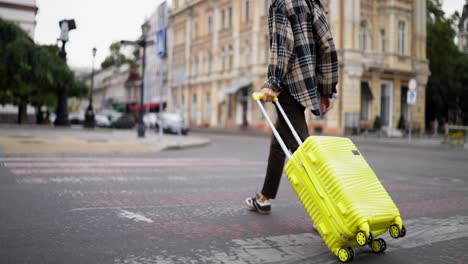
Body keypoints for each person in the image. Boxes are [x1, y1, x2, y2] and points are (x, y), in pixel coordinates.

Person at [245, 0, 338, 214]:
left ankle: (330, 210)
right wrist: (326, 89)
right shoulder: (312, 3)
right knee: (280, 141)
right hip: (306, 84)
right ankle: (264, 197)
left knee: (302, 150)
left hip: (288, 85)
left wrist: (274, 82)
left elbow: (282, 44)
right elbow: (328, 45)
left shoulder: (280, 3)